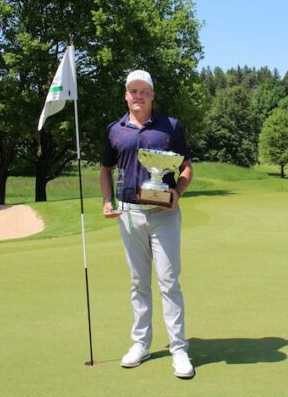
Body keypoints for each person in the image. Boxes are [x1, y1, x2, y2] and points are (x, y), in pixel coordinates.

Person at [100, 69, 195, 379]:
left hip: (165, 214)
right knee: (138, 282)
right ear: (126, 95)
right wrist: (106, 201)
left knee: (169, 281)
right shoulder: (115, 130)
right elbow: (105, 169)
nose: (137, 96)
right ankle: (140, 343)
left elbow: (186, 168)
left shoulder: (171, 127)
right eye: (132, 91)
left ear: (152, 94)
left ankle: (178, 349)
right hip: (130, 214)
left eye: (143, 91)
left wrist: (177, 193)